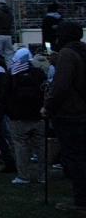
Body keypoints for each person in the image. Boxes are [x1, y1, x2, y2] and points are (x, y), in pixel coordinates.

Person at [43, 21, 86, 211]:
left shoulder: (67, 55)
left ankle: (81, 200)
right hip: (82, 111)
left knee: (74, 158)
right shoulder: (81, 52)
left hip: (70, 113)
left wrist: (48, 107)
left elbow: (61, 87)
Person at [5, 47, 46, 185]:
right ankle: (43, 175)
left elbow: (7, 94)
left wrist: (10, 112)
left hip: (19, 116)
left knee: (21, 147)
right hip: (38, 115)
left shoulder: (13, 74)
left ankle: (23, 176)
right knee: (41, 147)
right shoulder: (39, 73)